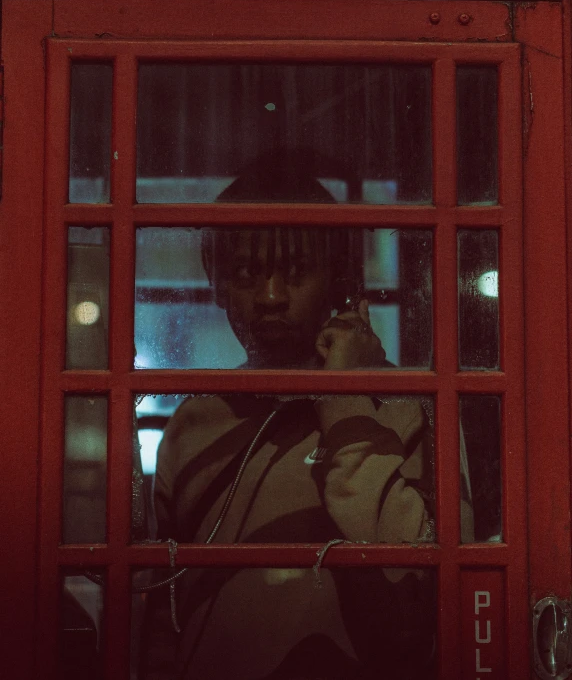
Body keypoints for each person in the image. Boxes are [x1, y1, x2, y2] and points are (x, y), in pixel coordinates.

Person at [139, 163, 440, 680]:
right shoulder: (194, 422)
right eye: (247, 274)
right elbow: (157, 601)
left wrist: (343, 400)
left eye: (296, 271)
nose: (272, 296)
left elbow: (419, 574)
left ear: (339, 280)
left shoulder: (402, 405)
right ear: (217, 284)